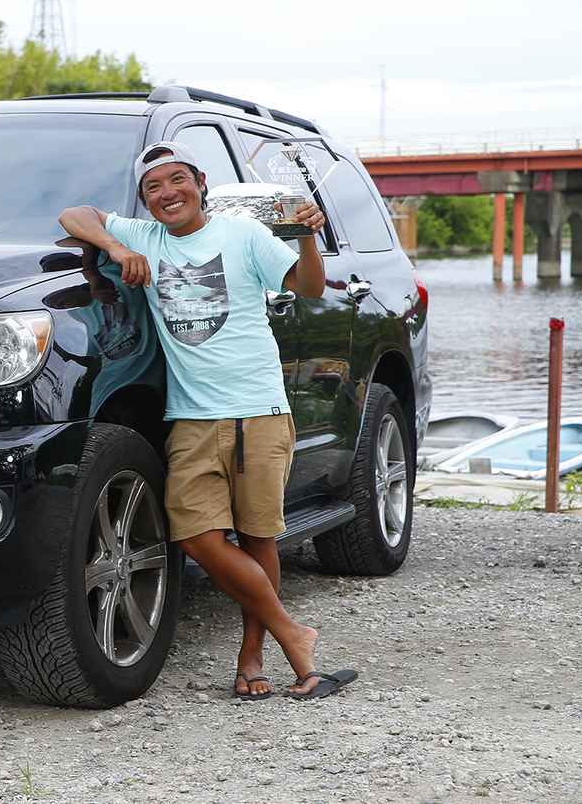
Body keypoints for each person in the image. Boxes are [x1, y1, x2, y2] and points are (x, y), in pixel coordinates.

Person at [58, 140, 358, 700]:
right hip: (192, 418)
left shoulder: (241, 235)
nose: (167, 193)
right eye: (153, 187)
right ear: (146, 203)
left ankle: (252, 659)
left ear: (200, 183)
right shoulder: (142, 236)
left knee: (257, 536)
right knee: (194, 536)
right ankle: (296, 634)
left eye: (178, 180)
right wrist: (113, 247)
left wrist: (308, 237)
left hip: (257, 410)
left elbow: (309, 287)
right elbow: (74, 216)